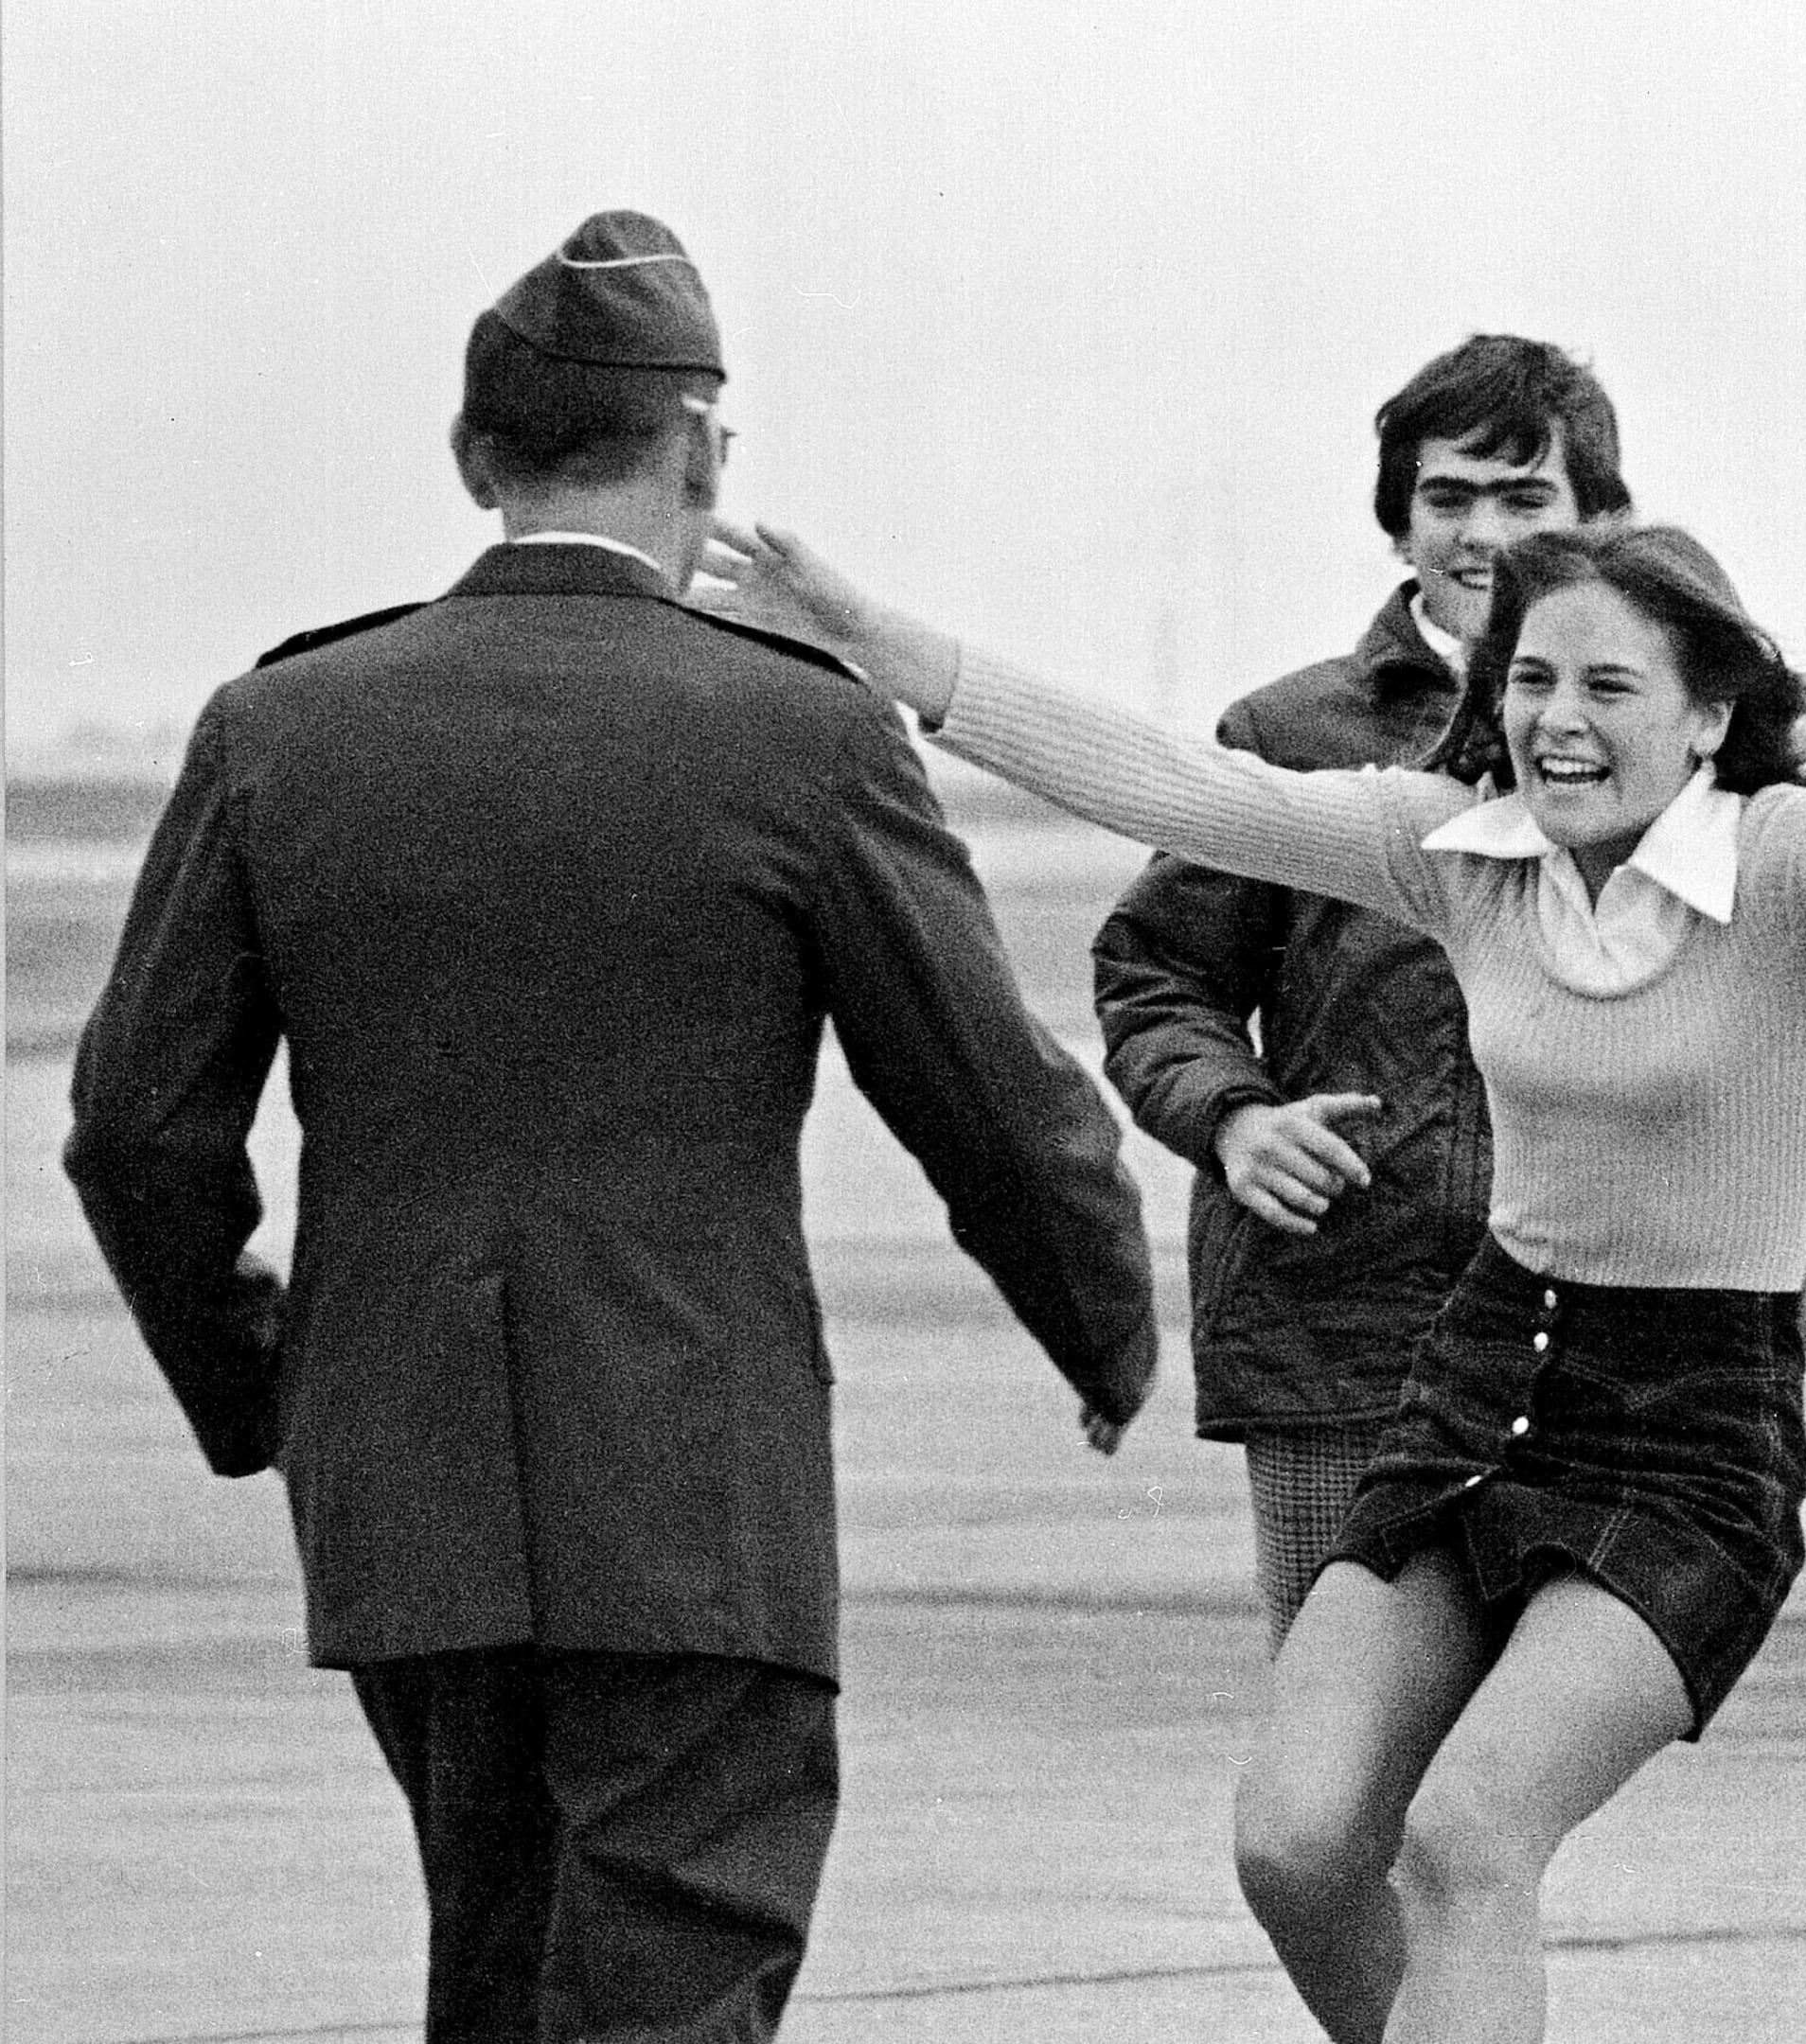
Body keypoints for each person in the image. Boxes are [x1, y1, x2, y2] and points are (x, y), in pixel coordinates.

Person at [702, 513, 1806, 2042]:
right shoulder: (1463, 858)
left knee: (1466, 1838)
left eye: (1608, 686)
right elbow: (1183, 787)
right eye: (1533, 680)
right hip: (1476, 1395)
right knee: (1297, 1838)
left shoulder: (1796, 872)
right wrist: (887, 649)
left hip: (1690, 1441)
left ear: (1709, 716)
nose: (1558, 720)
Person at [59, 212, 1158, 2040]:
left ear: (475, 459)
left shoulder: (280, 726)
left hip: (401, 1494)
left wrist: (264, 1382)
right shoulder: (799, 734)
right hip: (692, 1503)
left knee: (495, 1976)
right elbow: (994, 1100)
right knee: (668, 1991)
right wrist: (1104, 1324)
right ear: (706, 453)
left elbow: (133, 1128)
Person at [1091, 335, 1806, 1649]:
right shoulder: (1292, 737)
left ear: (1600, 523)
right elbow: (1156, 975)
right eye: (1447, 498)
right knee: (1339, 1775)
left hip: (1622, 1351)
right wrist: (1235, 1118)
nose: (1482, 534)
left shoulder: (1694, 752)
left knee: (1507, 1766)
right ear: (1398, 521)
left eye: (1524, 499)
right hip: (1345, 1326)